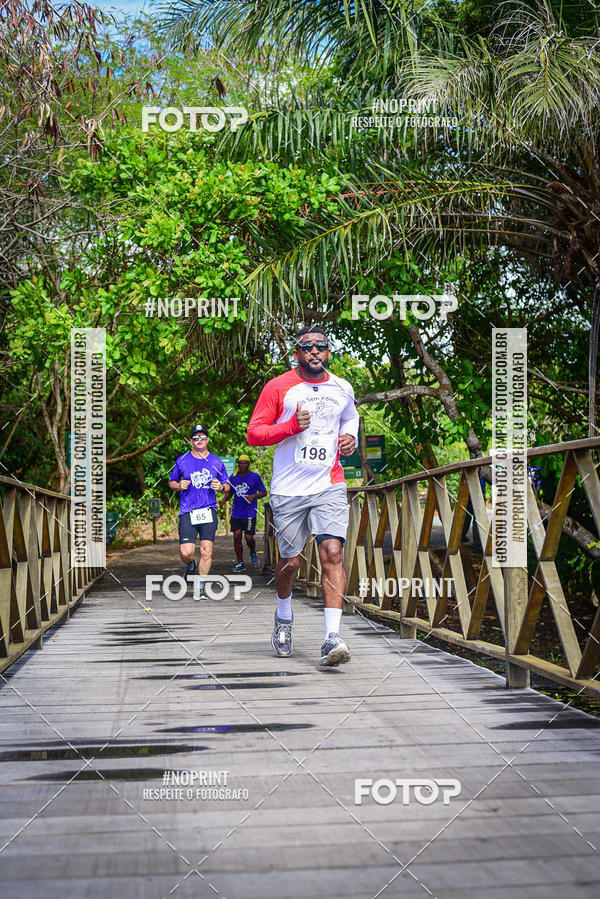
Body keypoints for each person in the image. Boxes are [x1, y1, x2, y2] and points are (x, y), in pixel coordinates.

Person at [247, 325, 359, 666]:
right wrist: (291, 426)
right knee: (290, 562)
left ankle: (332, 637)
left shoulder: (342, 387)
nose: (314, 351)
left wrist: (350, 438)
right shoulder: (278, 387)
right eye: (306, 346)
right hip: (288, 489)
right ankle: (283, 616)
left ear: (327, 352)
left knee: (332, 552)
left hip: (329, 483)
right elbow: (254, 434)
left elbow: (350, 417)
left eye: (320, 346)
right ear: (296, 354)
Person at [168, 424, 230, 600]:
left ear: (208, 440)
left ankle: (200, 588)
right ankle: (190, 564)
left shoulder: (216, 461)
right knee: (186, 552)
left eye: (202, 437)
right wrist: (179, 485)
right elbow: (171, 482)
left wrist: (221, 487)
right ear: (191, 441)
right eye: (196, 438)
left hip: (208, 510)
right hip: (188, 510)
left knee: (206, 550)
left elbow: (226, 485)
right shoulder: (182, 460)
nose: (199, 441)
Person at [220, 454, 267, 571]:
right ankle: (240, 562)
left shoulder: (255, 477)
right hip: (236, 512)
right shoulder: (233, 478)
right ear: (238, 465)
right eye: (241, 463)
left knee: (248, 538)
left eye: (245, 463)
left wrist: (254, 495)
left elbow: (264, 492)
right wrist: (224, 499)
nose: (243, 465)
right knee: (236, 536)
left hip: (250, 512)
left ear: (248, 464)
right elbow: (230, 492)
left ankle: (252, 552)